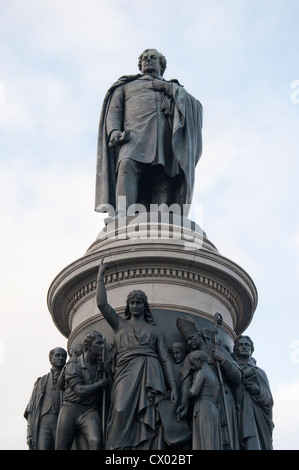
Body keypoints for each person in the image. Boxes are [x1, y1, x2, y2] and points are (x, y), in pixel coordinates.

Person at [95, 48, 203, 218]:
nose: (148, 60)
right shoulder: (126, 86)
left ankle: (162, 217)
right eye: (145, 58)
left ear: (162, 65)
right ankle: (123, 214)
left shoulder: (172, 88)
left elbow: (194, 107)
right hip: (133, 138)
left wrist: (168, 88)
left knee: (163, 177)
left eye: (153, 58)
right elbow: (114, 111)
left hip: (163, 141)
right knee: (126, 166)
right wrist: (114, 131)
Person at [96, 259, 178, 450]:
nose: (135, 306)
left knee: (151, 412)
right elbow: (102, 304)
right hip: (125, 371)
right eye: (132, 302)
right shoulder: (119, 325)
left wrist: (173, 386)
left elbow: (165, 359)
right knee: (120, 408)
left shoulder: (154, 331)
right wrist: (100, 276)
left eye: (139, 303)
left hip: (151, 371)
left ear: (144, 306)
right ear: (128, 305)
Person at [176, 317, 241, 450]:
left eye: (191, 338)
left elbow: (237, 377)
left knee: (225, 439)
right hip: (203, 400)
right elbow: (186, 381)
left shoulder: (216, 348)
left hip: (223, 398)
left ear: (199, 334)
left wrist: (223, 360)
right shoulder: (191, 358)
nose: (190, 342)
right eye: (187, 340)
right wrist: (184, 403)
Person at [55, 331, 108, 450]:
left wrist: (109, 372)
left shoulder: (101, 367)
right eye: (98, 343)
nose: (103, 346)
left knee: (96, 441)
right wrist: (100, 383)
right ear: (88, 346)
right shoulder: (74, 365)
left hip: (89, 410)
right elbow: (79, 390)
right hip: (70, 409)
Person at [233, 335, 274, 450]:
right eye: (241, 345)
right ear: (235, 349)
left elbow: (269, 400)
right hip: (237, 412)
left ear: (251, 349)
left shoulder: (259, 372)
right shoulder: (232, 369)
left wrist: (259, 391)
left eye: (247, 345)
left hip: (255, 415)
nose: (244, 347)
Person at [24, 347, 67, 450]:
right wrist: (29, 434)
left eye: (63, 356)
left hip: (62, 420)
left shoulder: (70, 378)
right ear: (51, 358)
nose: (61, 358)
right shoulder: (40, 382)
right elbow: (30, 409)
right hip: (43, 423)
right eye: (57, 355)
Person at [188, 350, 222, 450]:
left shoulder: (202, 372)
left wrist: (186, 392)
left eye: (193, 364)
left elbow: (194, 392)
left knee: (205, 437)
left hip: (203, 407)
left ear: (199, 360)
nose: (193, 367)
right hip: (213, 408)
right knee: (212, 437)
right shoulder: (214, 376)